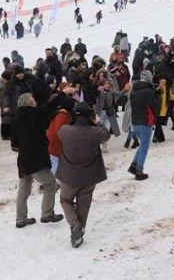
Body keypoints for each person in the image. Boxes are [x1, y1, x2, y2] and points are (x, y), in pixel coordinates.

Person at [56, 102, 110, 248]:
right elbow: (106, 134)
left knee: (65, 200)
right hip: (89, 176)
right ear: (90, 117)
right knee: (84, 204)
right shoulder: (96, 133)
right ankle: (79, 231)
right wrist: (98, 122)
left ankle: (75, 227)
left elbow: (59, 133)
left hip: (69, 176)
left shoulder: (65, 131)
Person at [12, 92, 69, 228]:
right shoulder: (35, 114)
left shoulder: (15, 119)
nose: (36, 102)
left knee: (23, 190)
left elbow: (14, 145)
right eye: (33, 100)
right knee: (50, 183)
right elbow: (50, 105)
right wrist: (63, 94)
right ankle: (47, 213)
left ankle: (21, 219)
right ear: (29, 103)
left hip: (23, 159)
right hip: (36, 158)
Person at [127, 70, 159, 180]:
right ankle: (139, 170)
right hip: (145, 121)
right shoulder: (148, 91)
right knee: (144, 146)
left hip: (135, 121)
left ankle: (134, 165)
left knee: (142, 145)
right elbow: (154, 106)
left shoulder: (134, 90)